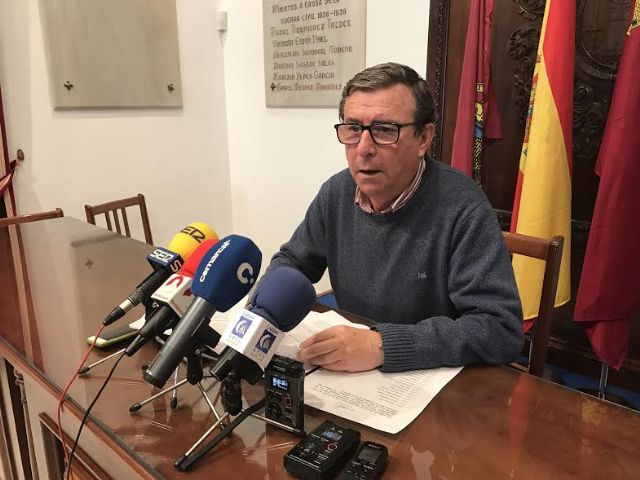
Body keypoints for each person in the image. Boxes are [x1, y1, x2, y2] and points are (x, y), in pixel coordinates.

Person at [267, 62, 523, 373]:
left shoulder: (462, 206)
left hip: (433, 380)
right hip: (352, 376)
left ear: (423, 138)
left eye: (385, 130)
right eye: (353, 129)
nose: (364, 148)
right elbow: (292, 262)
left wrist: (383, 346)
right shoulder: (337, 192)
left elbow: (499, 328)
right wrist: (266, 304)